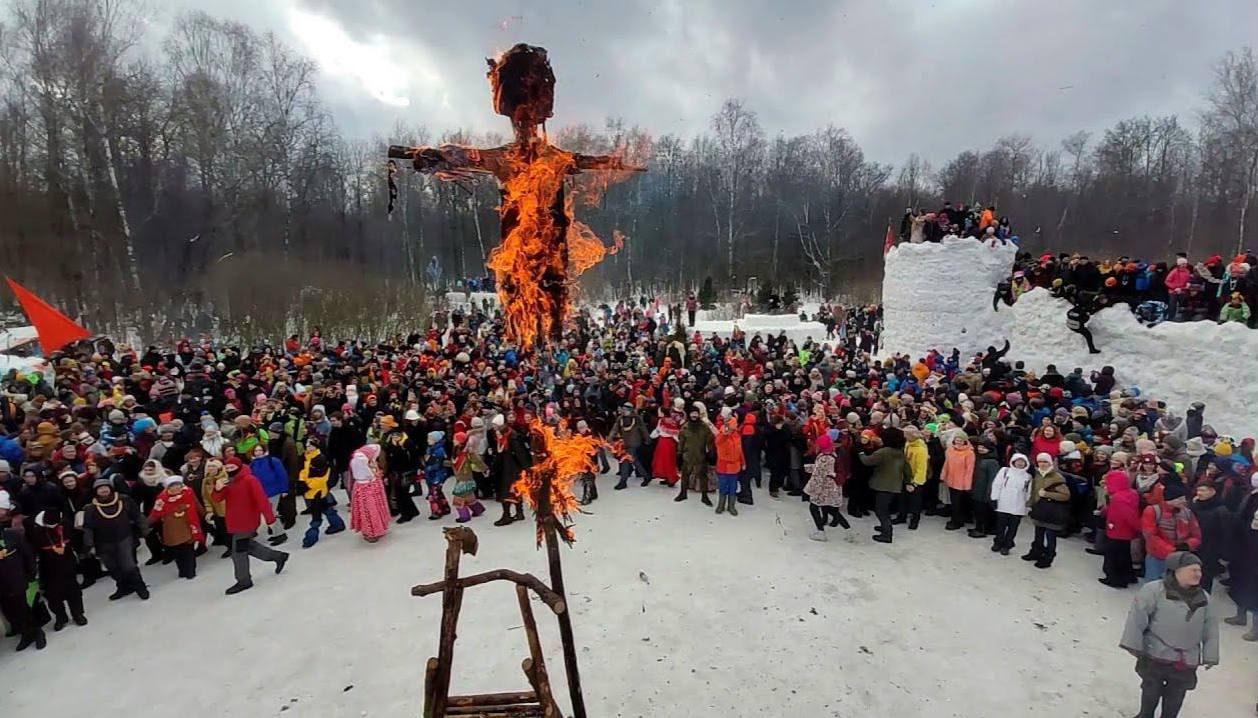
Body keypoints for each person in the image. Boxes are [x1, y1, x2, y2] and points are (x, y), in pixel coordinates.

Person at [1120, 552, 1219, 718]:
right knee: (1151, 689)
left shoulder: (1204, 599)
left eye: (1199, 570)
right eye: (1193, 570)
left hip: (1186, 658)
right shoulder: (1154, 590)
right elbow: (1137, 618)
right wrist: (1133, 644)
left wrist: (1210, 655)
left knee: (1177, 694)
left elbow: (1211, 629)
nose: (1198, 574)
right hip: (1155, 652)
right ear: (1177, 570)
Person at [212, 458, 289, 595]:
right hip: (234, 521)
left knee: (238, 553)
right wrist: (217, 489)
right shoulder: (228, 481)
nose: (229, 470)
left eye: (232, 468)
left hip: (247, 521)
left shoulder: (250, 480)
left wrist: (269, 518)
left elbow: (262, 499)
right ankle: (278, 556)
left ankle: (244, 580)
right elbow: (217, 499)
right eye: (227, 468)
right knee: (248, 546)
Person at [82, 478, 150, 601]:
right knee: (112, 567)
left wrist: (144, 529)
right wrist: (89, 544)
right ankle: (123, 587)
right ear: (95, 491)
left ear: (111, 488)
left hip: (123, 538)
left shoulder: (123, 500)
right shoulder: (90, 508)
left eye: (105, 487)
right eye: (100, 488)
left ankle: (140, 587)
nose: (103, 490)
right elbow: (88, 528)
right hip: (102, 543)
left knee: (129, 565)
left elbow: (137, 515)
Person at [27, 506, 87, 630]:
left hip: (67, 563)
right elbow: (32, 549)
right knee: (53, 595)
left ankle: (77, 614)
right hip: (48, 567)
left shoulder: (66, 524)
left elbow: (75, 540)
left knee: (73, 591)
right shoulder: (36, 530)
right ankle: (61, 617)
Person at [0, 503, 44, 651]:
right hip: (1, 585)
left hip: (16, 578)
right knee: (10, 612)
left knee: (23, 608)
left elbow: (27, 555)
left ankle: (38, 633)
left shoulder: (11, 535)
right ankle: (26, 634)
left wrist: (31, 572)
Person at [858, 427, 912, 544]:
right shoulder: (900, 452)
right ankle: (884, 527)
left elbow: (867, 461)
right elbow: (907, 469)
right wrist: (908, 482)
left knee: (881, 511)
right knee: (884, 508)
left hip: (882, 485)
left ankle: (887, 534)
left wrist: (861, 453)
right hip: (895, 485)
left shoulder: (883, 452)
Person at [1141, 483, 1201, 584]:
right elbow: (1150, 536)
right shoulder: (1153, 511)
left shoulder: (1187, 513)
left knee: (1176, 585)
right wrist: (1172, 550)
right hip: (1157, 557)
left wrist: (1187, 545)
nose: (1184, 501)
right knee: (1154, 584)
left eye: (1184, 498)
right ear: (1170, 499)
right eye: (1180, 499)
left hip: (1180, 558)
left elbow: (1196, 535)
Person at [147, 475, 204, 580]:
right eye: (173, 486)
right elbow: (155, 513)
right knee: (178, 551)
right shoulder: (162, 499)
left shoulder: (188, 493)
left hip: (188, 525)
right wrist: (145, 525)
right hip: (172, 528)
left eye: (178, 485)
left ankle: (191, 571)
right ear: (168, 488)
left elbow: (196, 504)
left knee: (189, 550)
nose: (177, 488)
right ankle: (182, 570)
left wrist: (205, 514)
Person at [297, 438, 346, 548]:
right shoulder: (306, 457)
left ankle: (310, 537)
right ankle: (337, 524)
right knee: (326, 508)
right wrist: (301, 482)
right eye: (307, 445)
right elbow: (303, 472)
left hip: (317, 491)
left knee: (316, 516)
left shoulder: (320, 459)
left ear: (316, 446)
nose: (307, 447)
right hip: (311, 490)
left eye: (310, 445)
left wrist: (306, 485)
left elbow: (323, 477)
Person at [1024, 453, 1070, 569]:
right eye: (1040, 462)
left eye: (1045, 462)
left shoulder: (1057, 477)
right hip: (1039, 509)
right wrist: (1030, 504)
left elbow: (1065, 495)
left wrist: (1047, 494)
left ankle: (1048, 557)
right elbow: (1034, 491)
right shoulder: (1037, 474)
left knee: (1050, 536)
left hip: (1051, 512)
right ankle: (1036, 552)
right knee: (1038, 534)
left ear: (1050, 463)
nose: (1042, 464)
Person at [1098, 468, 1141, 588]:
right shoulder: (1132, 494)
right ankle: (1128, 575)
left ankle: (1114, 579)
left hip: (1116, 530)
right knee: (1124, 555)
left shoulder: (1118, 498)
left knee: (1113, 556)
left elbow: (1127, 515)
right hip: (1126, 532)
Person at [803, 431, 849, 540]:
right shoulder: (832, 454)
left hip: (823, 488)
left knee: (813, 508)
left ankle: (820, 532)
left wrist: (808, 490)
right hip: (832, 487)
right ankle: (848, 530)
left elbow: (819, 475)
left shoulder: (824, 457)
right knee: (832, 510)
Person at [990, 454, 1032, 555]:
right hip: (1003, 503)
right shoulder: (1005, 471)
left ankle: (1007, 545)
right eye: (1018, 461)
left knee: (1013, 528)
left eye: (1022, 462)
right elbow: (996, 484)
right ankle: (998, 542)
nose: (1020, 463)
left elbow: (1028, 492)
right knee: (1000, 526)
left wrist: (1027, 507)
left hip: (1018, 506)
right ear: (1013, 461)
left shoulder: (1028, 477)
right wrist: (994, 498)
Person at [349, 444, 391, 541]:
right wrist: (375, 472)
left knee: (372, 509)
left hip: (367, 487)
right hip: (367, 488)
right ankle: (371, 532)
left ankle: (376, 529)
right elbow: (368, 475)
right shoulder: (360, 460)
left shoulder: (363, 459)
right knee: (370, 510)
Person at [676, 404, 714, 505]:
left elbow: (710, 440)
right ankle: (683, 493)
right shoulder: (685, 427)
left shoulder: (704, 427)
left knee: (702, 477)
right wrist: (679, 454)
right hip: (687, 456)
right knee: (685, 476)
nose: (694, 415)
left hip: (700, 456)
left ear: (698, 414)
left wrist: (710, 452)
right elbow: (681, 442)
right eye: (692, 413)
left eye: (696, 413)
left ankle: (704, 496)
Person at [941, 434, 975, 530]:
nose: (958, 442)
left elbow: (969, 470)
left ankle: (957, 521)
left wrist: (967, 484)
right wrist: (943, 476)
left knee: (958, 503)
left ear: (965, 441)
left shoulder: (969, 453)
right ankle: (957, 519)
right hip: (951, 480)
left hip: (962, 482)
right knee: (954, 502)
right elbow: (946, 464)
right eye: (956, 440)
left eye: (960, 440)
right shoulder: (950, 450)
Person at [968, 440, 1000, 538]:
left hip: (984, 492)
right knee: (978, 511)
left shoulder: (992, 462)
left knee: (983, 512)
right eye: (980, 447)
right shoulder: (979, 458)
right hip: (977, 489)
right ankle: (979, 527)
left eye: (983, 448)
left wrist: (989, 493)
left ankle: (982, 529)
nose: (980, 449)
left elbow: (993, 479)